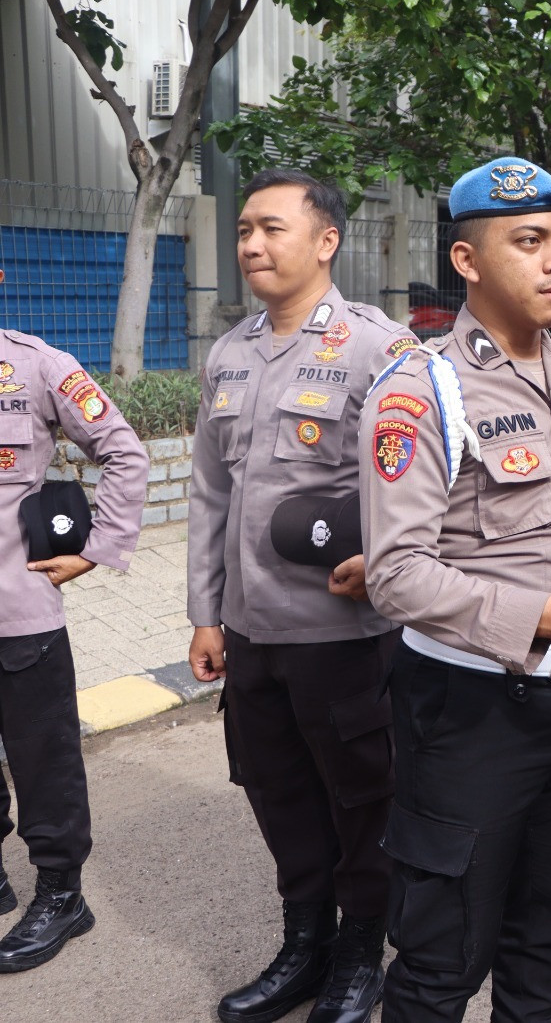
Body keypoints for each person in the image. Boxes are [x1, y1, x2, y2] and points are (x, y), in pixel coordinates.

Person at [360, 156, 551, 1023]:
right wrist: (541, 615)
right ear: (466, 260)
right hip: (469, 715)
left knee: (544, 955)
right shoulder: (423, 387)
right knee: (438, 964)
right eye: (528, 242)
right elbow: (394, 572)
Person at [187, 169, 419, 1023]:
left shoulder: (378, 348)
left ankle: (363, 954)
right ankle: (304, 946)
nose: (251, 244)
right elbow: (210, 496)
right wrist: (206, 614)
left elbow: (424, 476)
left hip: (345, 637)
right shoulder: (230, 353)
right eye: (245, 229)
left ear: (325, 241)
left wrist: (386, 550)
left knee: (362, 801)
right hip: (251, 635)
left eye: (271, 228)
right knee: (277, 791)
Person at [0, 263, 150, 973]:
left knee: (43, 763)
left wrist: (98, 549)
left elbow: (123, 450)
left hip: (17, 615)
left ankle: (63, 895)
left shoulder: (37, 367)